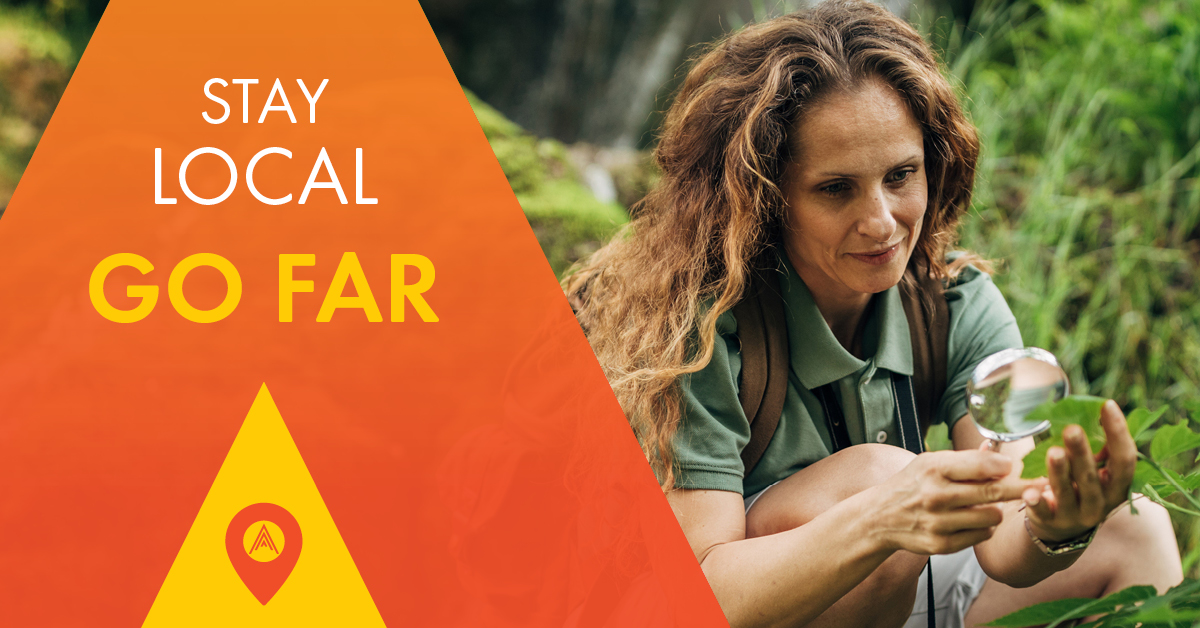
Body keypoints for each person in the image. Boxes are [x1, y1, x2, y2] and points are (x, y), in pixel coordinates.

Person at [564, 1, 1183, 627]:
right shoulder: (703, 332)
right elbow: (695, 597)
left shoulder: (953, 301)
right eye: (836, 188)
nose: (882, 221)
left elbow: (1007, 540)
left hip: (897, 596)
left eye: (900, 175)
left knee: (1136, 528)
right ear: (767, 199)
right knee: (880, 487)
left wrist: (1057, 523)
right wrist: (885, 514)